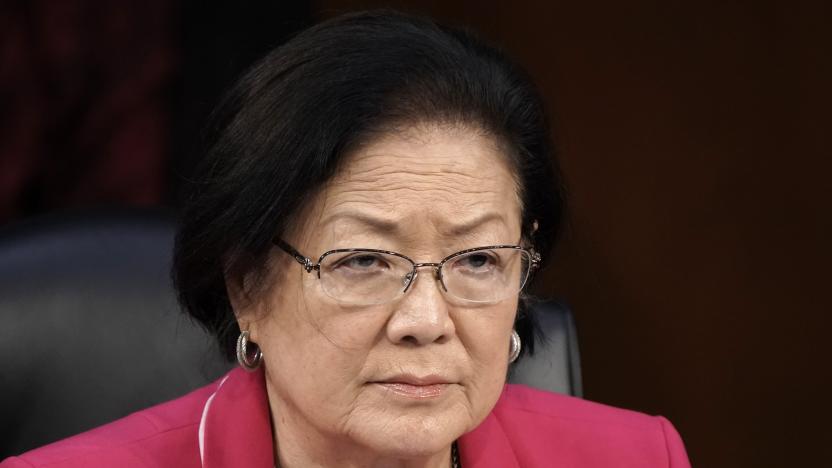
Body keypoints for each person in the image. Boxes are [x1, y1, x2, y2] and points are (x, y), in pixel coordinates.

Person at [1, 10, 691, 468]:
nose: (425, 321)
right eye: (363, 260)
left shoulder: (635, 456)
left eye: (478, 259)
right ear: (247, 286)